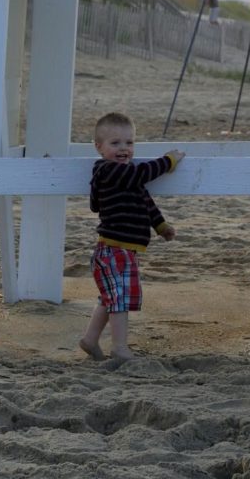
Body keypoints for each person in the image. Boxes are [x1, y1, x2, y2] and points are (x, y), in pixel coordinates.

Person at [79, 111, 185, 362]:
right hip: (114, 249)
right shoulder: (108, 171)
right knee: (120, 299)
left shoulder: (126, 175)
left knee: (111, 297)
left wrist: (161, 227)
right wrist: (168, 161)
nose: (124, 149)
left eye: (129, 143)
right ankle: (119, 347)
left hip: (122, 250)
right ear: (99, 147)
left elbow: (145, 202)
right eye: (115, 143)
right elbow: (141, 175)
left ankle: (90, 339)